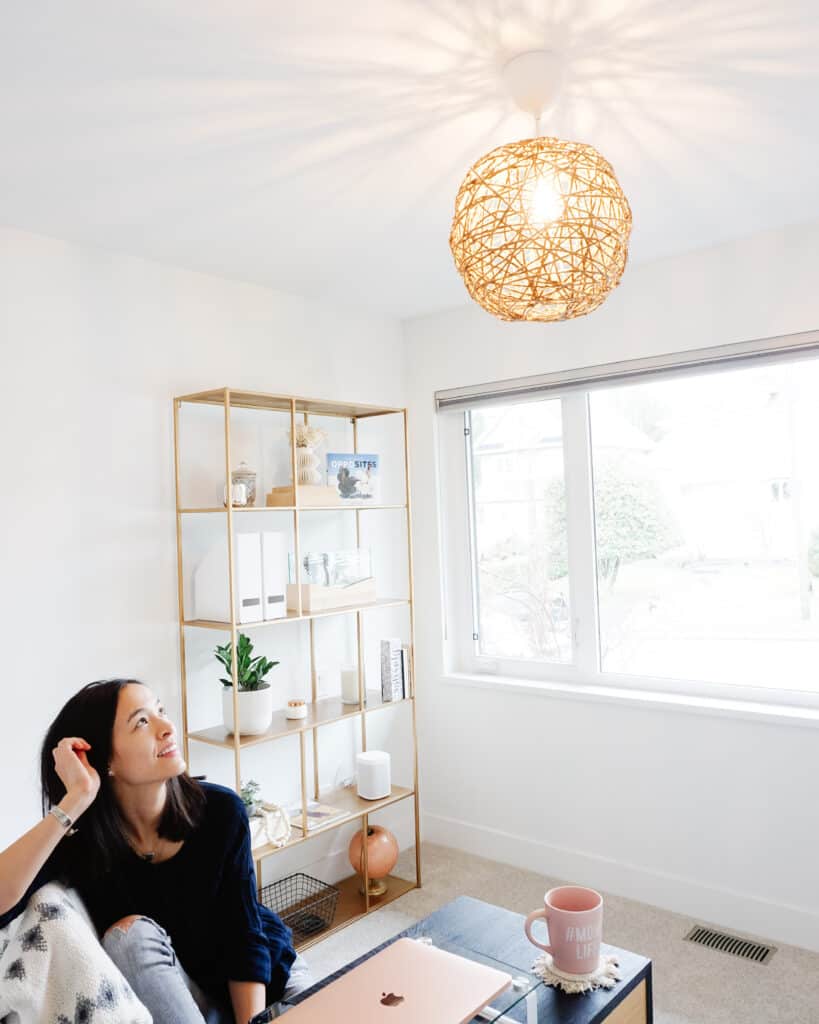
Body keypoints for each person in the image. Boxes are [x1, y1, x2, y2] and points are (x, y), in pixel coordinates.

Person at [0, 679, 313, 1023]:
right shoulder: (87, 846)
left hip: (268, 989)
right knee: (129, 937)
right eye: (142, 722)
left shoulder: (221, 812)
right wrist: (75, 800)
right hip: (184, 1004)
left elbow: (244, 940)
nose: (167, 728)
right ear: (104, 760)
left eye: (160, 711)